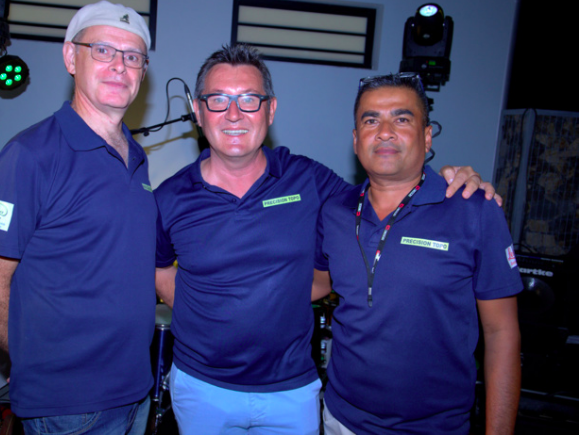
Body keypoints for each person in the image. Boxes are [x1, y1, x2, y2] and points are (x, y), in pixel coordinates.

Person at [154, 44, 497, 435]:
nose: (234, 114)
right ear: (198, 111)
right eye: (218, 100)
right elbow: (160, 270)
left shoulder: (310, 180)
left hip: (292, 389)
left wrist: (453, 177)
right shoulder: (169, 197)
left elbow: (385, 195)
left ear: (270, 110)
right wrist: (206, 313)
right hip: (201, 387)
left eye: (249, 99)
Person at [0, 2, 156, 434]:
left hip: (134, 392)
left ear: (143, 72)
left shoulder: (137, 158)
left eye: (132, 56)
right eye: (103, 50)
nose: (119, 66)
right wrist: (32, 358)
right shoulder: (29, 155)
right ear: (71, 57)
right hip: (70, 407)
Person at [314, 73, 522, 434]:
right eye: (371, 120)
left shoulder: (474, 209)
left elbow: (501, 333)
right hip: (341, 420)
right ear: (356, 140)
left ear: (427, 137)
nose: (385, 132)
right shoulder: (334, 211)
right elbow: (316, 284)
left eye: (402, 118)